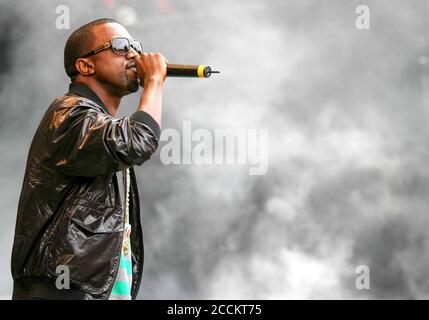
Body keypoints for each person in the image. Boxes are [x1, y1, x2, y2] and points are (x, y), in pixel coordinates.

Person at [10, 18, 167, 300]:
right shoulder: (68, 114)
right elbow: (136, 142)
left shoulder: (100, 126)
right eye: (120, 46)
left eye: (136, 46)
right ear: (85, 66)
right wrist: (154, 82)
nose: (134, 54)